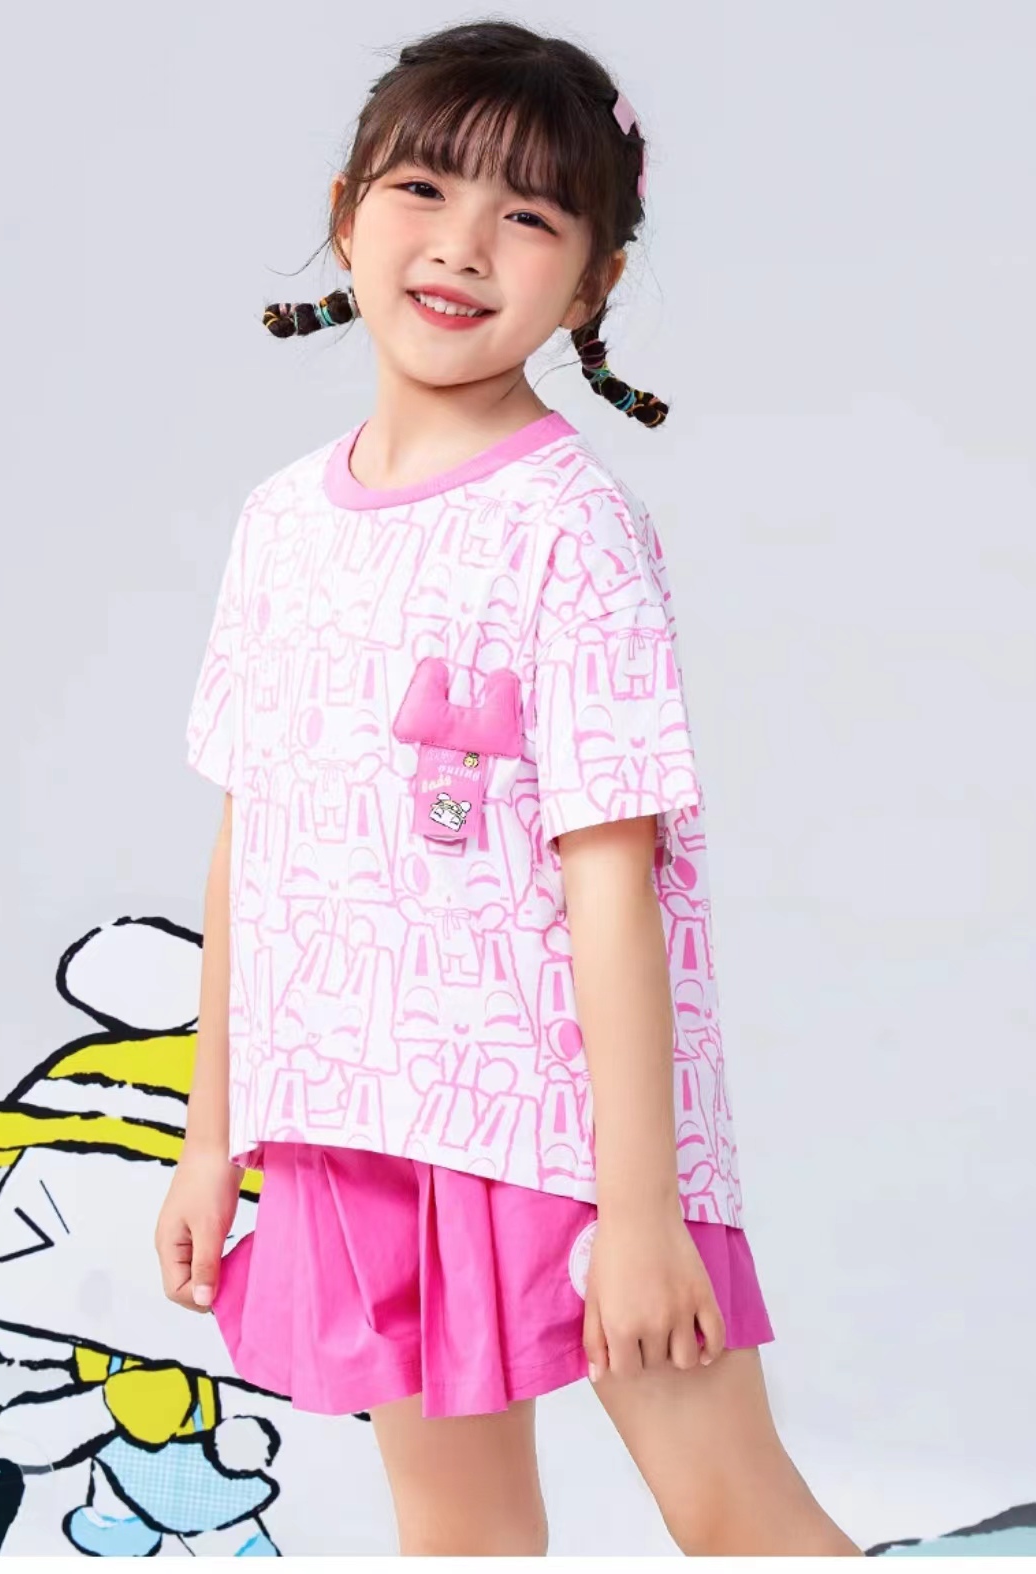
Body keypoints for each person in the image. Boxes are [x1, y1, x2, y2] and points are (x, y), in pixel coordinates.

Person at [155, 19, 864, 1558]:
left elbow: (614, 881)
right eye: (423, 188)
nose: (463, 245)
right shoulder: (279, 525)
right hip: (354, 1118)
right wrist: (214, 1139)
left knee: (734, 1509)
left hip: (559, 1132)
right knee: (459, 1529)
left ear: (593, 282)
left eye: (528, 215)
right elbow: (249, 845)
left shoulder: (571, 528)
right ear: (347, 211)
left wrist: (642, 1208)